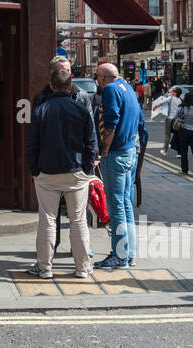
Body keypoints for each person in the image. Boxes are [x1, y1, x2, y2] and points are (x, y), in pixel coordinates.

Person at [25, 61, 97, 278]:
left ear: (51, 85)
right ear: (69, 87)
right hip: (76, 172)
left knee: (47, 219)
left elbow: (32, 143)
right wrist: (86, 167)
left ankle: (45, 267)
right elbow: (91, 142)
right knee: (78, 220)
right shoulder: (81, 109)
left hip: (47, 173)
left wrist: (34, 169)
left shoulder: (41, 110)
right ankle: (82, 267)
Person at [93, 61, 142, 268]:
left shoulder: (111, 90)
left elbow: (111, 123)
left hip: (116, 154)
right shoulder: (127, 88)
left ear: (103, 78)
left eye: (97, 77)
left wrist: (104, 150)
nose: (97, 81)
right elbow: (140, 120)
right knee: (126, 204)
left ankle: (119, 255)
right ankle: (129, 253)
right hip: (131, 152)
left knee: (116, 208)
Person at [173, 92, 193, 175]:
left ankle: (184, 170)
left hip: (184, 131)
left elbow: (175, 118)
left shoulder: (181, 108)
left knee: (184, 152)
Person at [154, 86, 182, 156]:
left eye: (173, 91)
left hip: (170, 119)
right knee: (177, 136)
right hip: (177, 120)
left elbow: (162, 102)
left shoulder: (171, 98)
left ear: (175, 93)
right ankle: (179, 153)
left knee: (167, 135)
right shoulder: (180, 100)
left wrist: (156, 106)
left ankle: (165, 150)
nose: (171, 92)